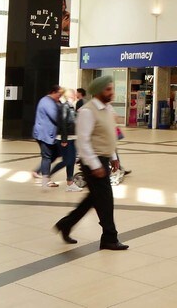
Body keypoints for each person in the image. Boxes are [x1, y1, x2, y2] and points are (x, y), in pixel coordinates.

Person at [54, 76, 128, 251]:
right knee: (106, 201)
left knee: (94, 199)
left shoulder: (108, 109)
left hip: (103, 159)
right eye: (108, 89)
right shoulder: (87, 111)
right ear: (98, 91)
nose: (111, 92)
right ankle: (109, 238)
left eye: (112, 88)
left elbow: (108, 135)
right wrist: (95, 166)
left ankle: (66, 224)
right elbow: (83, 141)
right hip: (92, 162)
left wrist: (113, 157)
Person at [47, 89, 82, 192]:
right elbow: (63, 123)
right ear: (71, 96)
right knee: (67, 161)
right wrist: (64, 139)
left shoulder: (71, 107)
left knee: (71, 161)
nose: (76, 95)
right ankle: (47, 176)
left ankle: (70, 183)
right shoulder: (65, 107)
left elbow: (72, 122)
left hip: (72, 137)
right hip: (66, 138)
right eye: (74, 94)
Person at [32, 85, 63, 189]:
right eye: (59, 94)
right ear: (53, 92)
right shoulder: (47, 102)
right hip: (44, 134)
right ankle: (46, 181)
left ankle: (37, 171)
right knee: (47, 157)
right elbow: (55, 117)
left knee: (55, 153)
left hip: (48, 134)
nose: (60, 97)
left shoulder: (51, 101)